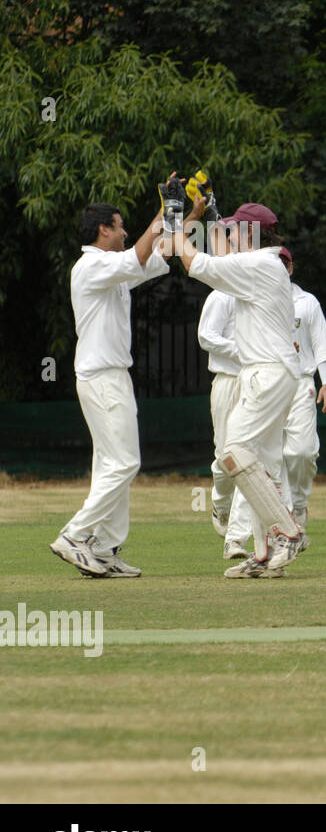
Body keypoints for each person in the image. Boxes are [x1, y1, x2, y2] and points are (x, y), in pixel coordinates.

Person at [163, 194, 306, 577]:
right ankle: (261, 556)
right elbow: (225, 257)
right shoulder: (266, 261)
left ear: (249, 233)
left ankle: (288, 532)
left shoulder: (259, 264)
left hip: (268, 372)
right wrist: (209, 215)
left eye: (233, 229)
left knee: (233, 454)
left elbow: (195, 263)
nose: (228, 234)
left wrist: (176, 223)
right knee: (254, 461)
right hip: (271, 371)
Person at [49, 186, 173, 578]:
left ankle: (103, 550)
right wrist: (162, 210)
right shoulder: (91, 267)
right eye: (120, 227)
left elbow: (160, 252)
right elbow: (140, 251)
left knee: (110, 466)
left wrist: (187, 214)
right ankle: (75, 535)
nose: (125, 233)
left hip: (112, 377)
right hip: (101, 377)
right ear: (104, 229)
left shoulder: (115, 268)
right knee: (124, 462)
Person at [226, 246, 326, 554]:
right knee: (250, 458)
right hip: (267, 382)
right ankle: (237, 535)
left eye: (284, 263)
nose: (279, 268)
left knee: (300, 452)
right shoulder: (254, 297)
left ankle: (297, 507)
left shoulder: (306, 302)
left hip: (300, 383)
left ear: (290, 267)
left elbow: (321, 342)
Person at [196, 287, 243, 556]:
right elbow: (206, 336)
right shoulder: (221, 295)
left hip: (256, 381)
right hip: (227, 381)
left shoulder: (261, 292)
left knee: (253, 459)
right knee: (227, 457)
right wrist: (240, 350)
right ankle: (221, 502)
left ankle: (236, 538)